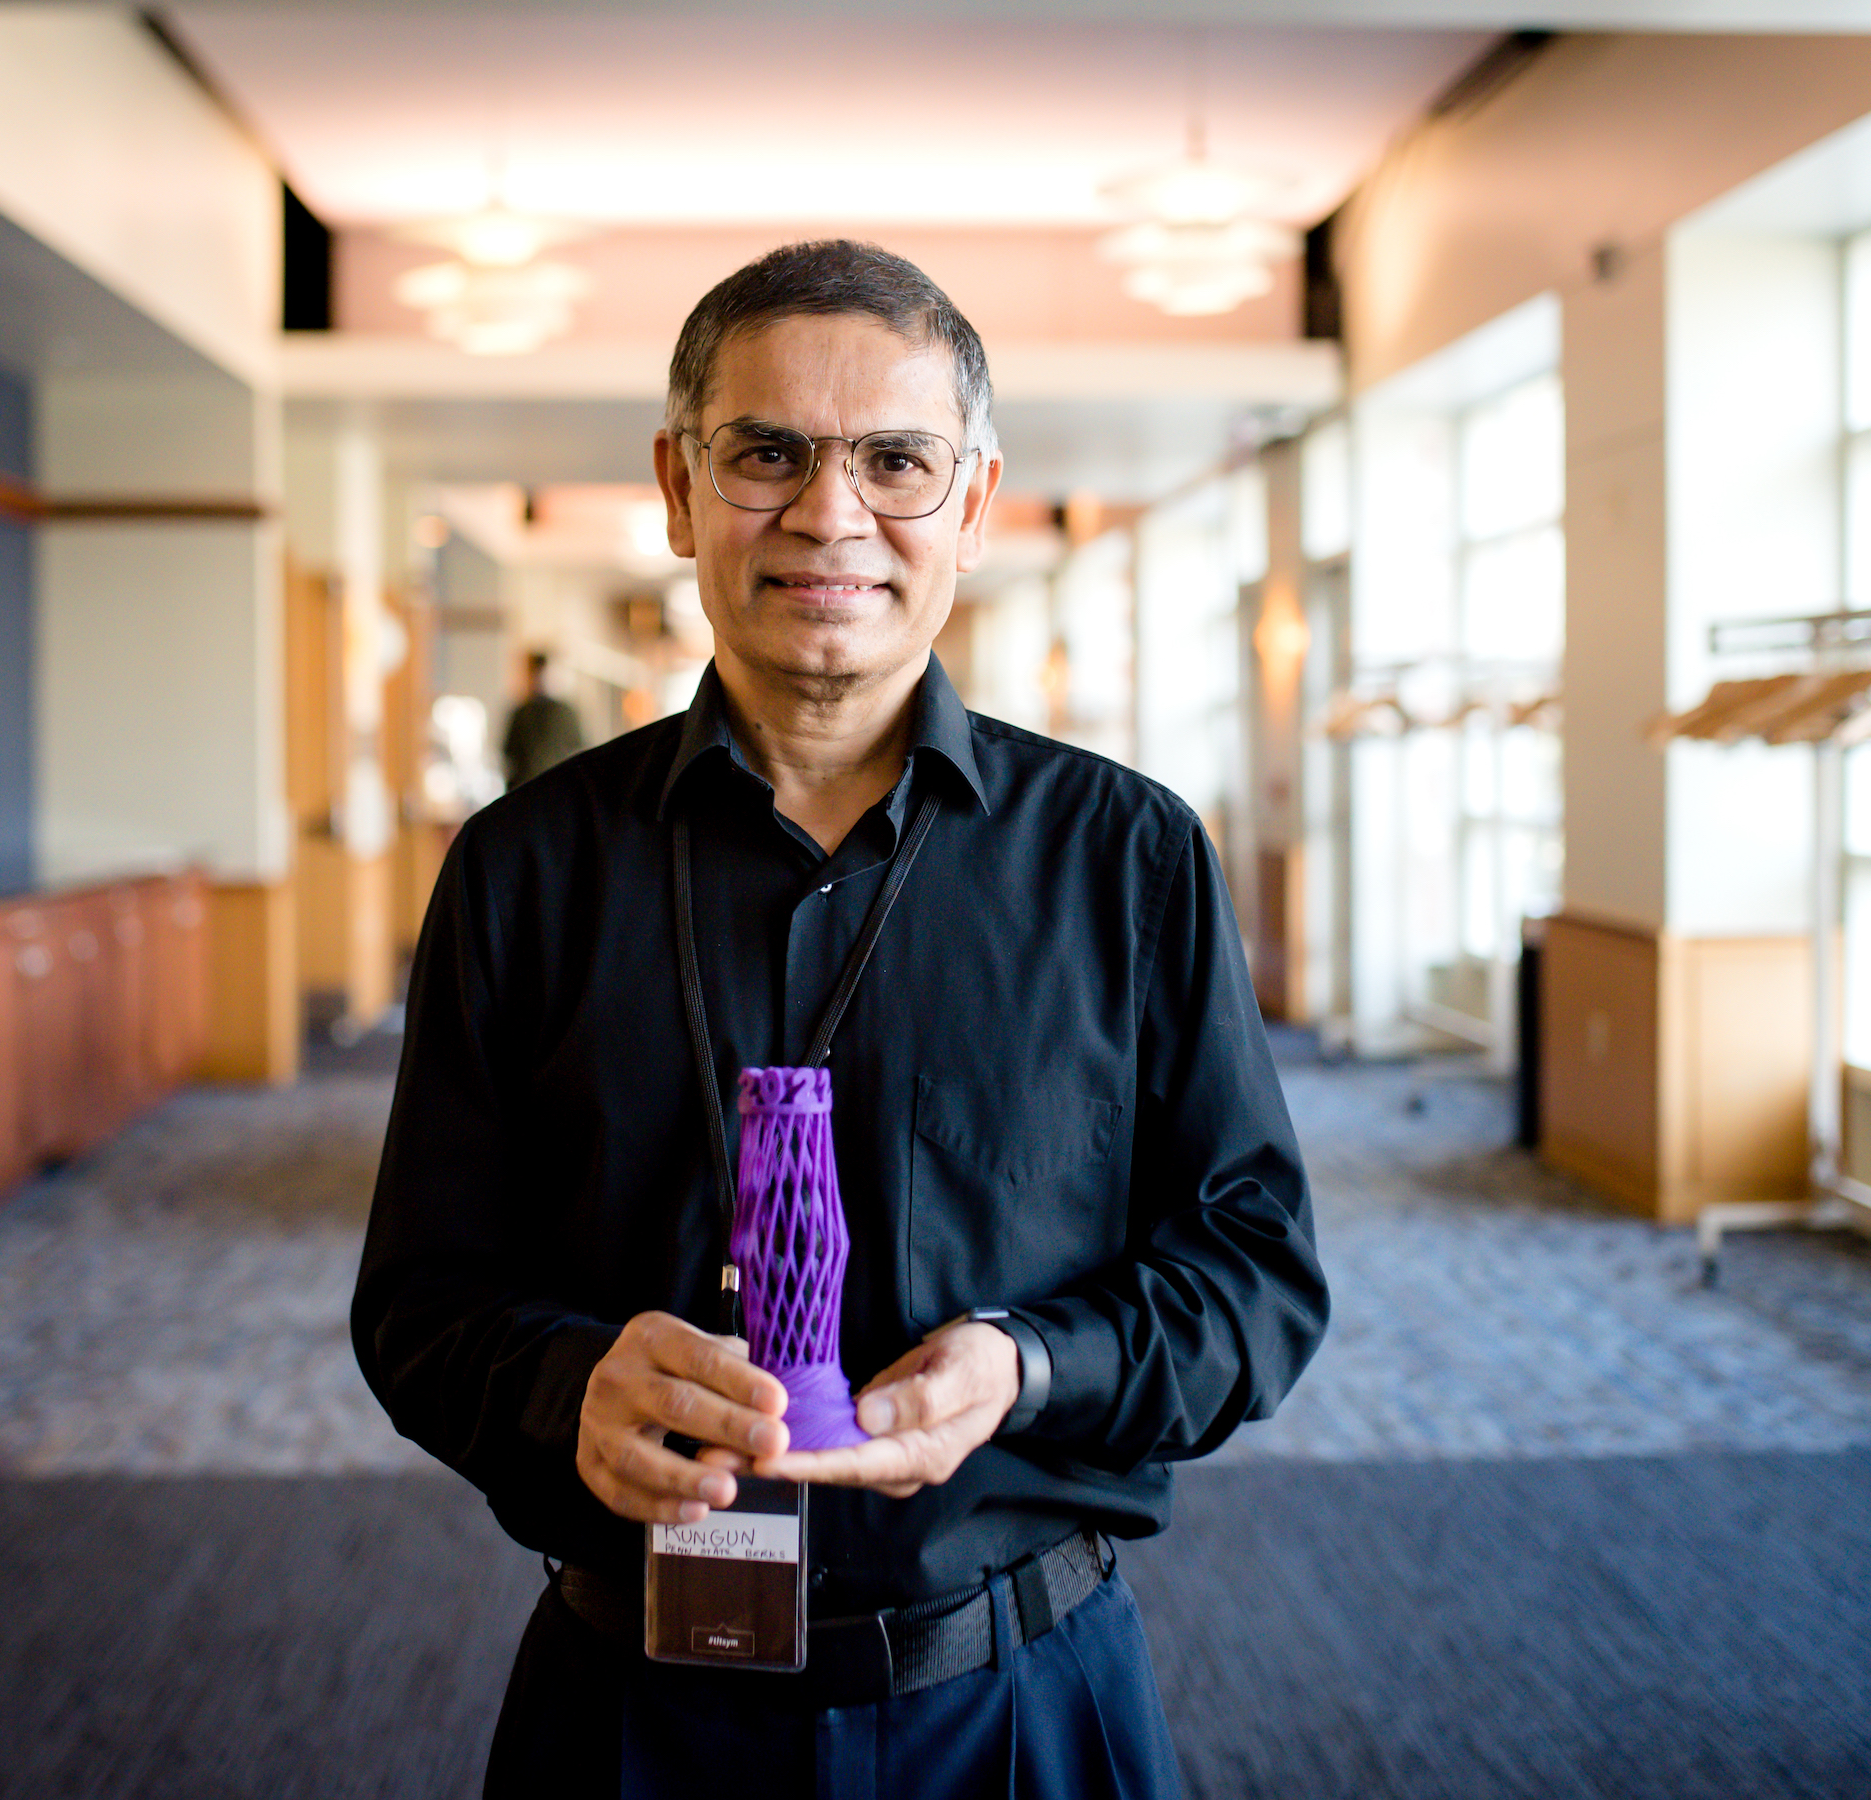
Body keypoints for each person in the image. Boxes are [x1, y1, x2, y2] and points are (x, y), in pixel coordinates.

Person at [352, 239, 1326, 1798]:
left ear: (977, 503)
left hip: (1015, 1702)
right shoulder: (524, 870)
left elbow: (1255, 1283)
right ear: (679, 490)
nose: (830, 514)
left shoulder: (1127, 861)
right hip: (631, 1705)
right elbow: (418, 1302)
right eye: (767, 456)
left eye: (895, 460)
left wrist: (1027, 1365)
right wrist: (566, 1385)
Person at [500, 649, 588, 789]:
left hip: (554, 786)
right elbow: (509, 752)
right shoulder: (522, 712)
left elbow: (578, 748)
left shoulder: (563, 712)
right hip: (530, 787)